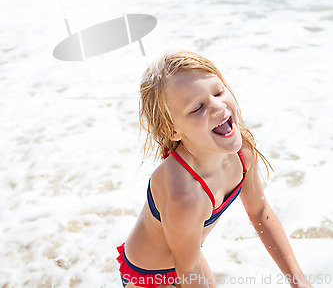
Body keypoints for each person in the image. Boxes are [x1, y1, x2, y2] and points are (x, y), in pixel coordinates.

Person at [116, 51, 313, 288]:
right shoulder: (184, 193)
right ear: (172, 131)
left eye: (218, 92)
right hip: (150, 276)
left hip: (189, 257)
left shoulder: (243, 152)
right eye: (197, 108)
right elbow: (188, 271)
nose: (218, 106)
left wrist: (298, 282)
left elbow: (260, 211)